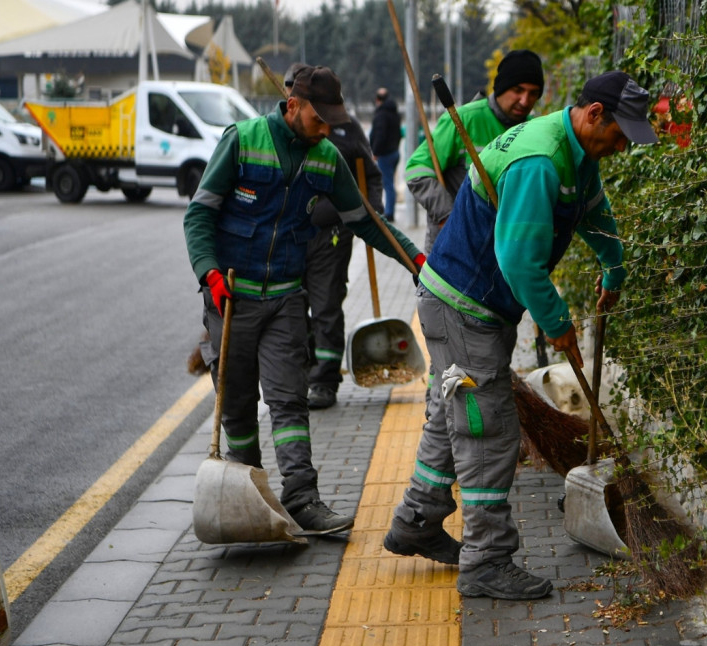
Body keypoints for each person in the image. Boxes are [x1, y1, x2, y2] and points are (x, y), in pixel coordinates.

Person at [383, 71, 658, 599]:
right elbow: (518, 263)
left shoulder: (575, 152)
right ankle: (486, 560)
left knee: (452, 419)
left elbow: (593, 213)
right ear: (594, 114)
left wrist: (614, 265)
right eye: (620, 133)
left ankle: (417, 519)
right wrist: (558, 324)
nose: (623, 146)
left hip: (465, 301)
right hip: (464, 304)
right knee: (490, 433)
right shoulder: (539, 161)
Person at [185, 65, 426, 536]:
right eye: (320, 118)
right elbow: (199, 215)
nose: (328, 128)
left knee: (289, 402)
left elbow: (364, 219)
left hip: (284, 300)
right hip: (231, 298)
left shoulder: (326, 157)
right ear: (292, 106)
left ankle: (302, 499)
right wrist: (209, 273)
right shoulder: (244, 140)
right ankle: (247, 494)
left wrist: (414, 257)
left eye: (333, 120)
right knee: (235, 405)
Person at [278, 65, 388, 411]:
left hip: (333, 235)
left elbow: (370, 174)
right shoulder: (281, 133)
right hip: (291, 236)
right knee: (295, 306)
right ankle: (304, 372)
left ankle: (324, 381)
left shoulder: (346, 128)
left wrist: (373, 216)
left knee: (326, 305)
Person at [404, 49, 545, 254]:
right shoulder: (463, 120)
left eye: (533, 93)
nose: (525, 100)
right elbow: (417, 170)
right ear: (500, 88)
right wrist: (448, 216)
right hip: (453, 251)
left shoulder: (535, 131)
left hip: (503, 254)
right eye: (517, 90)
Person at [369, 87, 402, 223]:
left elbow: (380, 135)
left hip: (385, 154)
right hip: (394, 152)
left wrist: (376, 152)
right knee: (390, 184)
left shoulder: (381, 114)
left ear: (377, 100)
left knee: (387, 184)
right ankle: (389, 210)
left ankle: (389, 213)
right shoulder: (395, 114)